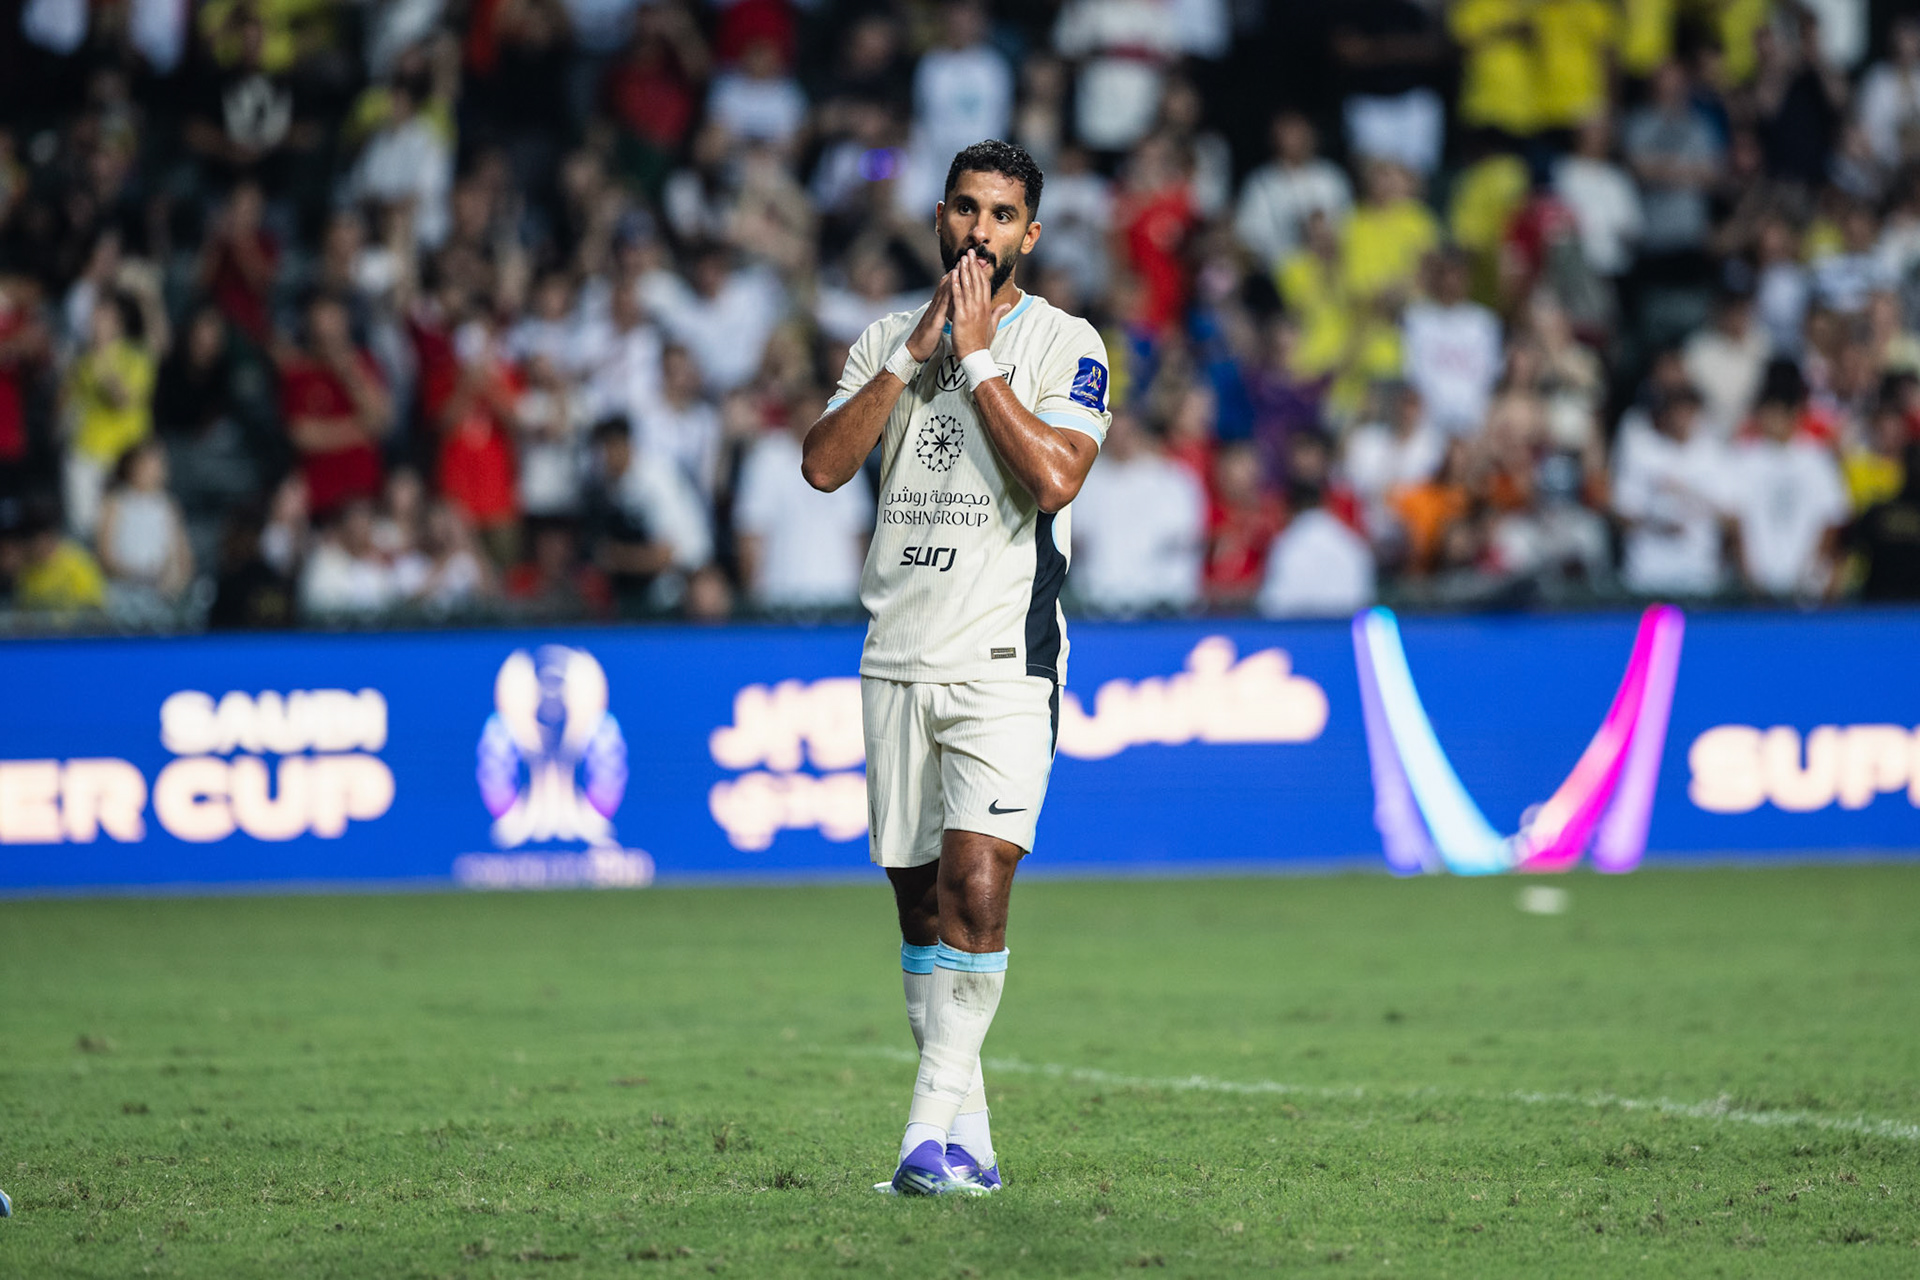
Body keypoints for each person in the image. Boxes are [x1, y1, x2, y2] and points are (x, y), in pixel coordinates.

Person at [801, 141, 1109, 1196]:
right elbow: (823, 464)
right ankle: (967, 1143)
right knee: (922, 907)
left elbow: (1058, 478)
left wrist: (978, 359)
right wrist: (911, 359)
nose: (982, 231)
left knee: (979, 885)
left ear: (1031, 233)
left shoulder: (1068, 342)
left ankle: (919, 1141)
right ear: (940, 216)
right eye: (968, 209)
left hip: (1001, 660)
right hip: (897, 655)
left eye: (1005, 215)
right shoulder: (885, 336)